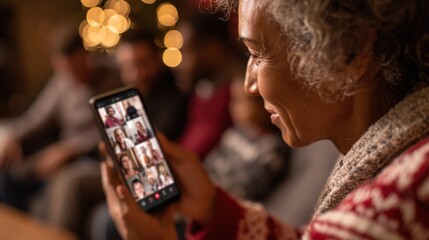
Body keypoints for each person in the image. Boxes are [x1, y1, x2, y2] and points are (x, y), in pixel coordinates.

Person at [101, 0, 429, 239]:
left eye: (256, 54)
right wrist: (214, 210)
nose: (248, 85)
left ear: (351, 52)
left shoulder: (397, 207)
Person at [204, 74, 289, 200]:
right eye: (232, 101)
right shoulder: (236, 131)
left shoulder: (271, 149)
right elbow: (211, 162)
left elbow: (247, 191)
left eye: (240, 102)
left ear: (263, 104)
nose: (233, 108)